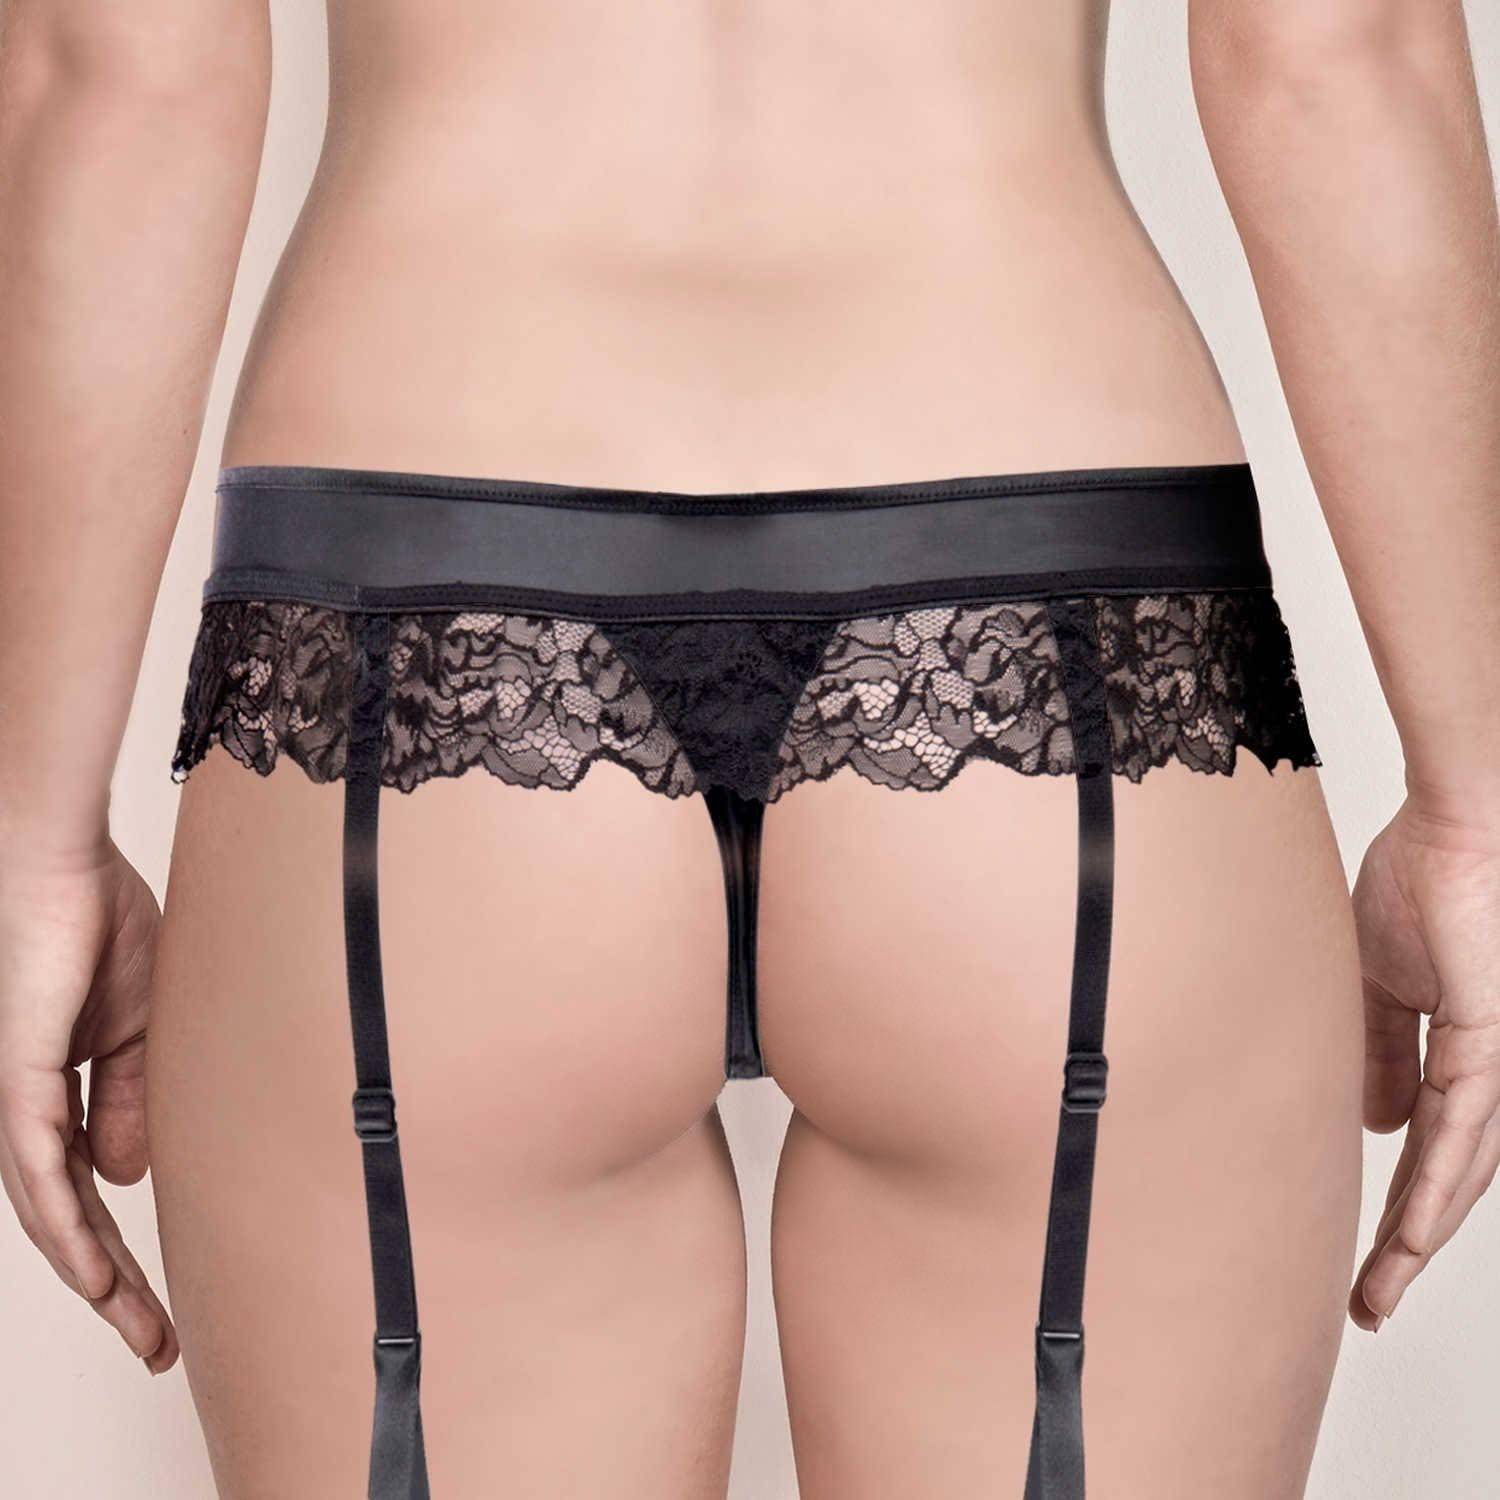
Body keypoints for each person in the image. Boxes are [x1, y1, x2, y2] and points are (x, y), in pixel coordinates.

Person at [1, 2, 1497, 1497]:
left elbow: (126, 69)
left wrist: (36, 842)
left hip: (430, 585)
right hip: (1049, 601)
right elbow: (1330, 46)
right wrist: (1477, 809)